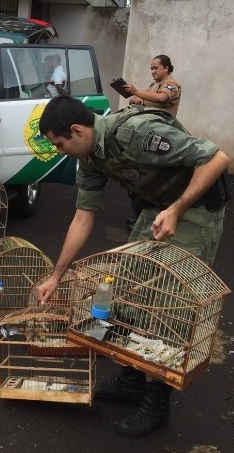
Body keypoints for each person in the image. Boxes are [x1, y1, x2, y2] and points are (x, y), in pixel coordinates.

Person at [37, 96, 230, 437]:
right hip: (157, 206)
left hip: (196, 207)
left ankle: (157, 403)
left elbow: (217, 158)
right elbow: (83, 218)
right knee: (126, 289)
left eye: (59, 144)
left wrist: (176, 208)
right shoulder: (90, 156)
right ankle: (132, 381)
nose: (59, 150)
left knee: (169, 305)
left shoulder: (137, 131)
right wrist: (57, 274)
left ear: (77, 130)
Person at [123, 55, 182, 230]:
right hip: (146, 134)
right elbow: (148, 100)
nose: (153, 71)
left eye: (156, 68)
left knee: (151, 180)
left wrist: (136, 92)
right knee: (138, 178)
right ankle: (141, 217)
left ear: (167, 68)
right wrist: (137, 100)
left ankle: (151, 220)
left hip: (160, 137)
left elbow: (162, 99)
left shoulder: (171, 85)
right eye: (151, 68)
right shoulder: (153, 86)